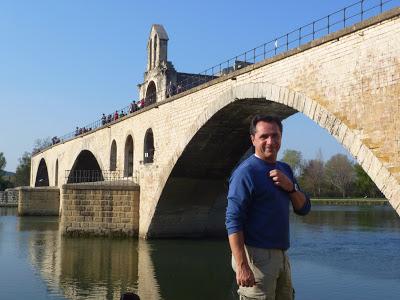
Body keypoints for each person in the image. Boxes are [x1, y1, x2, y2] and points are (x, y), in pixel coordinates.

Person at [226, 115, 311, 300]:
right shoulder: (245, 173)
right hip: (255, 259)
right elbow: (233, 221)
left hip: (281, 257)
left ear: (281, 138)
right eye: (264, 136)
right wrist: (242, 266)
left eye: (275, 136)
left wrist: (291, 188)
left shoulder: (285, 169)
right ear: (253, 139)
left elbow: (304, 208)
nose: (270, 142)